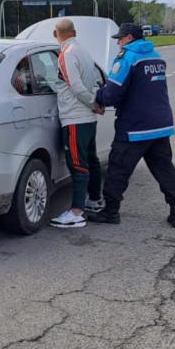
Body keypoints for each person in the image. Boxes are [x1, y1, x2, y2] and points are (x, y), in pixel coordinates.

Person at [86, 23, 175, 228]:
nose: (118, 43)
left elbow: (113, 93)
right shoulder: (156, 56)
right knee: (164, 168)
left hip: (135, 126)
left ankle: (111, 212)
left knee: (117, 170)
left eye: (120, 39)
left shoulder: (127, 58)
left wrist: (97, 96)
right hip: (160, 125)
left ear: (129, 38)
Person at [48, 19, 104, 229]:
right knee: (91, 160)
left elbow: (76, 86)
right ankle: (95, 200)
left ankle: (76, 213)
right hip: (87, 120)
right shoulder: (83, 51)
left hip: (74, 117)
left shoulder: (67, 54)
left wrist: (93, 104)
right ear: (75, 32)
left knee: (77, 164)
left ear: (56, 34)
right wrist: (94, 104)